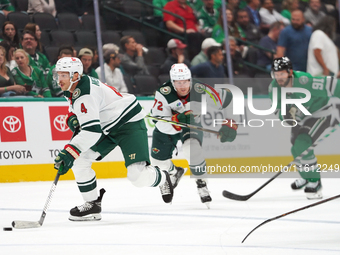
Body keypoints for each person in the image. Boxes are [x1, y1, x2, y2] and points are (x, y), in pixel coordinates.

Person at [53, 57, 174, 221]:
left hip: (128, 123)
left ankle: (162, 177)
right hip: (107, 126)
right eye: (58, 75)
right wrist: (73, 119)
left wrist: (69, 152)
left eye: (63, 75)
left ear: (75, 76)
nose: (59, 80)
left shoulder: (84, 93)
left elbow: (91, 132)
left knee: (136, 177)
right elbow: (73, 110)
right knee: (80, 160)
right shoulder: (74, 87)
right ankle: (92, 204)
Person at [150, 63, 237, 207]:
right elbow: (159, 122)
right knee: (157, 163)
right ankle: (174, 172)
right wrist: (176, 120)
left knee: (192, 149)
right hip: (169, 127)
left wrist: (230, 122)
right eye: (178, 82)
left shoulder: (200, 89)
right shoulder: (164, 93)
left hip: (191, 123)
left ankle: (201, 182)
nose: (182, 86)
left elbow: (227, 99)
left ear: (190, 80)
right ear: (172, 82)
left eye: (185, 81)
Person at [269, 57, 340, 199]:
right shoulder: (274, 88)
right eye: (276, 74)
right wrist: (287, 118)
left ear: (289, 72)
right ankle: (306, 177)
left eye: (282, 73)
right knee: (295, 148)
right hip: (302, 117)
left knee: (303, 144)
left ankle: (315, 182)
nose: (279, 78)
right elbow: (278, 110)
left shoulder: (304, 81)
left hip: (319, 113)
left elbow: (333, 85)